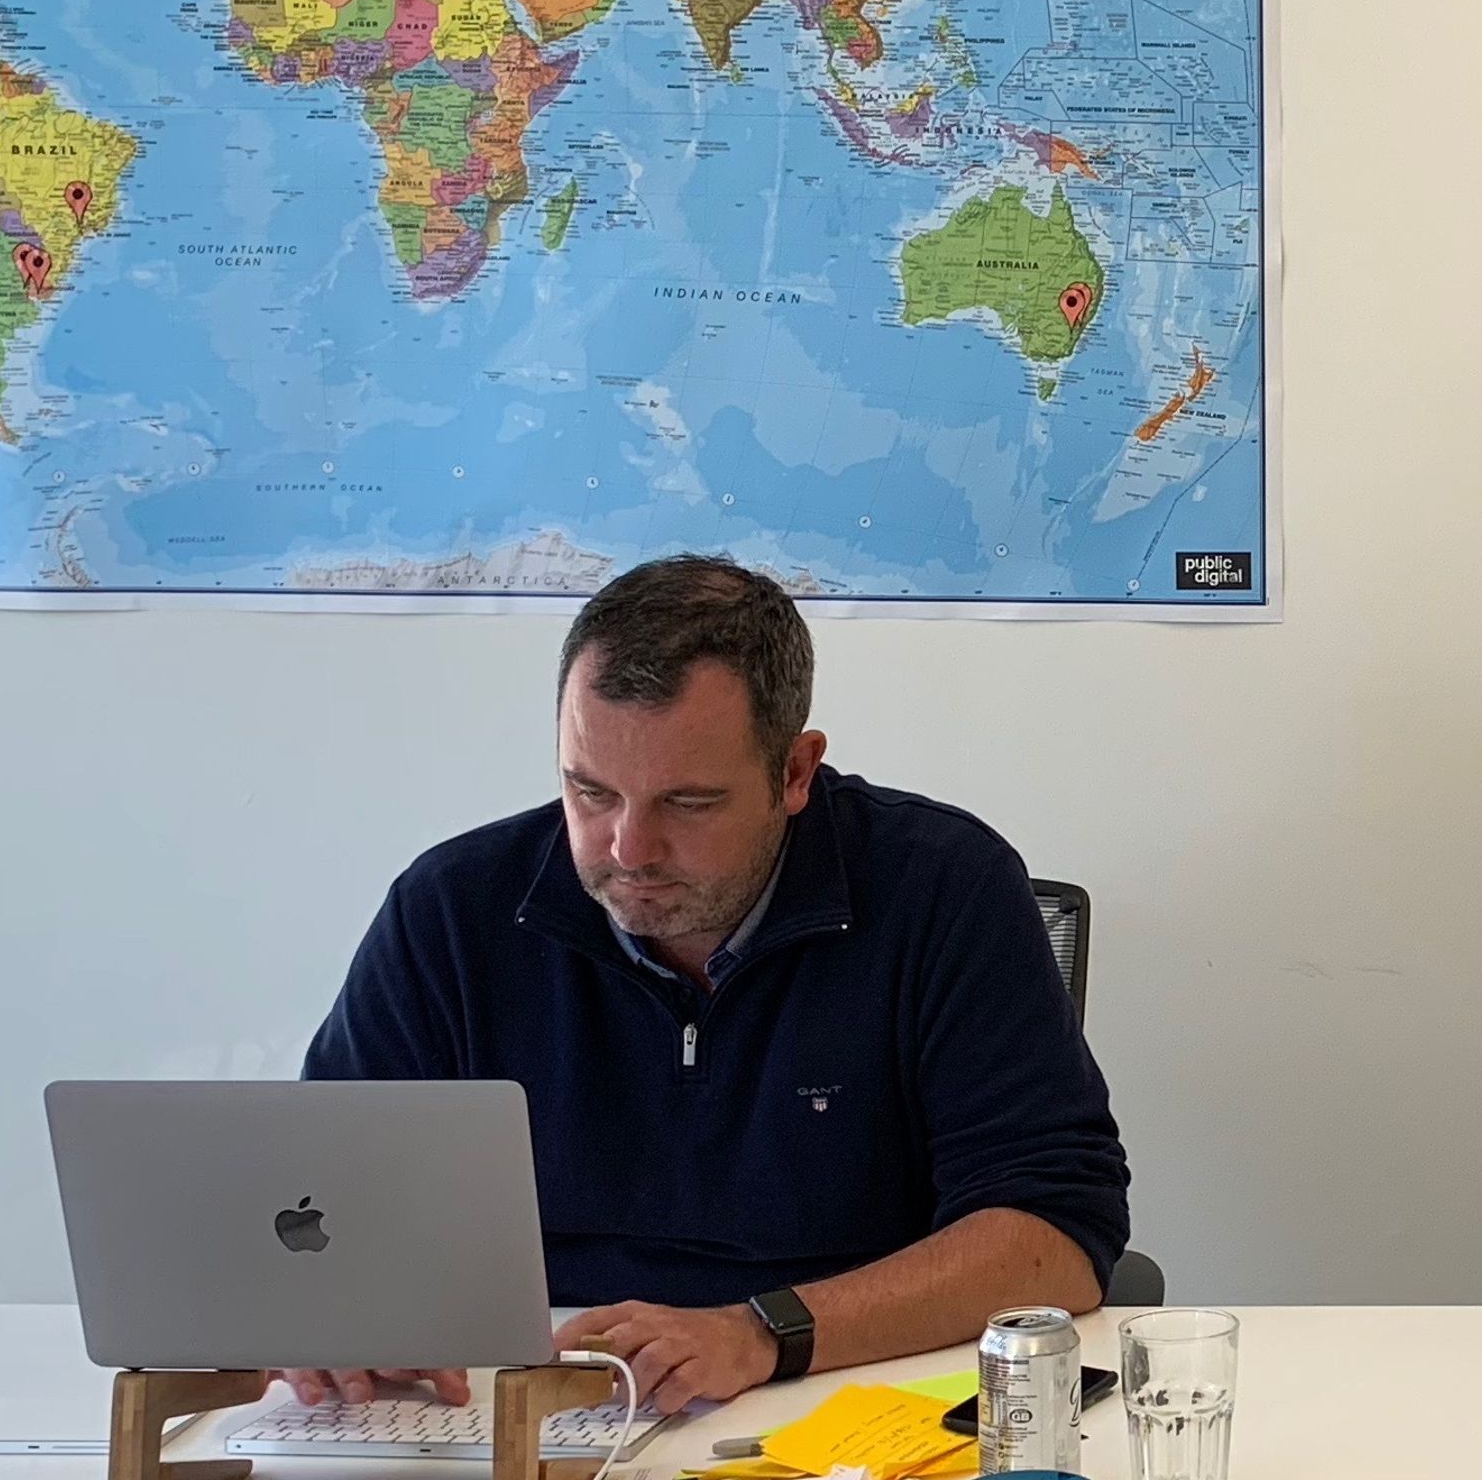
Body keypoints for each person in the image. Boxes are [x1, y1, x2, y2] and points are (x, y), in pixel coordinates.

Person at [292, 553, 1129, 1415]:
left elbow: (1056, 1237)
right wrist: (328, 1315)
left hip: (846, 1387)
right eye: (591, 791)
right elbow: (316, 1196)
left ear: (796, 771)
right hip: (525, 1393)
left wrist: (760, 1332)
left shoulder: (943, 888)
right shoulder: (453, 910)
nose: (628, 849)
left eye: (688, 803)